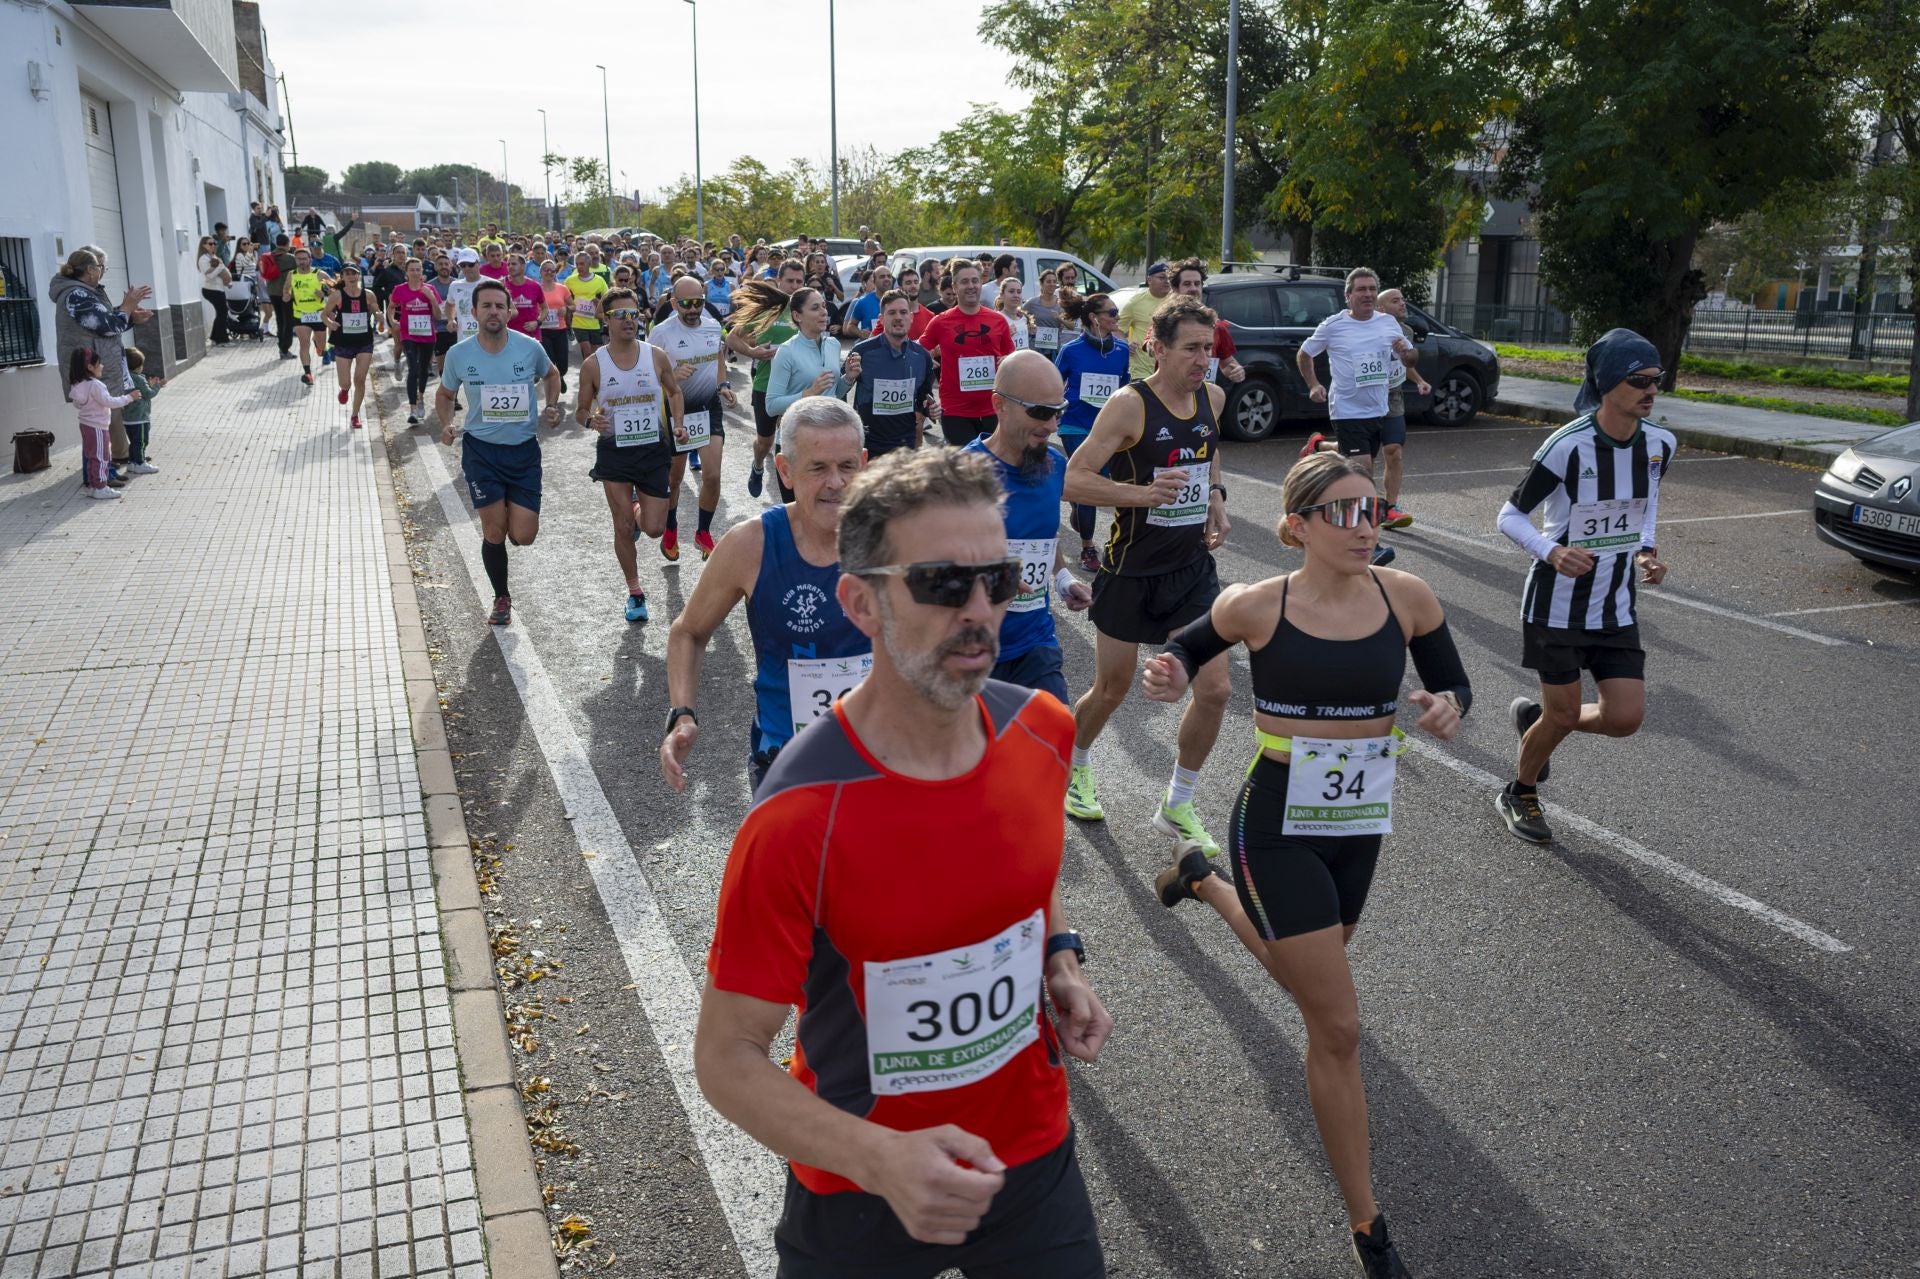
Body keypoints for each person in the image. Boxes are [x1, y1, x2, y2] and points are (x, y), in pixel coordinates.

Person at [693, 446, 1111, 1279]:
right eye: (943, 584)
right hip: (860, 1187)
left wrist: (1059, 957)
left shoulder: (1043, 730)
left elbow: (1024, 871)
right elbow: (727, 1057)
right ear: (862, 602)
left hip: (1030, 1154)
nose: (980, 610)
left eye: (998, 581)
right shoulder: (797, 816)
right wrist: (880, 1158)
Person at [1140, 450, 1470, 1279]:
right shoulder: (1256, 605)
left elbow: (1450, 679)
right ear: (1297, 527)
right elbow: (1182, 648)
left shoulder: (1410, 597)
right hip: (1277, 820)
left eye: (1373, 511)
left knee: (1309, 982)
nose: (1366, 527)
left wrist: (1444, 706)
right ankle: (1370, 1226)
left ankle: (1205, 883)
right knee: (1338, 1024)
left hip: (1360, 822)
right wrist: (1167, 668)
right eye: (1345, 514)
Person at [1061, 295, 1231, 848]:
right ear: (1157, 348)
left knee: (1215, 689)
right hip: (1130, 570)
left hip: (1190, 571)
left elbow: (1208, 456)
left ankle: (1178, 803)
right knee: (1112, 688)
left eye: (1208, 348)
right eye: (1191, 349)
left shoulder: (1214, 397)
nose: (1202, 359)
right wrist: (1141, 494)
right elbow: (1074, 478)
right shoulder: (1130, 406)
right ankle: (1076, 765)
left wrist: (1217, 500)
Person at [1494, 328, 1673, 845]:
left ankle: (1540, 718)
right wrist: (1551, 550)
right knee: (1565, 713)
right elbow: (1510, 515)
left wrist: (1646, 550)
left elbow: (1647, 503)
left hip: (1616, 605)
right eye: (1638, 380)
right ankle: (1520, 790)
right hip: (1555, 604)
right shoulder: (1567, 447)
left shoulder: (1661, 443)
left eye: (1655, 380)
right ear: (1606, 384)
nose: (1650, 390)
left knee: (1625, 719)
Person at [660, 397, 872, 794]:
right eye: (818, 468)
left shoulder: (898, 534)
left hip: (882, 763)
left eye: (847, 466)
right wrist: (683, 714)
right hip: (787, 766)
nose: (837, 483)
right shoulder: (751, 544)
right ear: (786, 470)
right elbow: (689, 631)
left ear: (864, 462)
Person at [962, 351, 1092, 704]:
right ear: (999, 405)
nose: (1052, 425)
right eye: (1039, 412)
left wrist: (1063, 578)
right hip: (967, 653)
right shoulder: (959, 475)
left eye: (1058, 412)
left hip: (1035, 643)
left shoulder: (1053, 465)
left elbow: (1042, 534)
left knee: (1052, 745)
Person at [436, 279, 565, 627]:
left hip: (523, 453)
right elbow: (445, 395)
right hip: (481, 453)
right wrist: (446, 424)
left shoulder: (529, 348)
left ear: (510, 311)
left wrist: (552, 404)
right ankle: (501, 597)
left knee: (523, 535)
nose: (493, 312)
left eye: (499, 306)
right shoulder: (459, 354)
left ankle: (509, 516)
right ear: (473, 311)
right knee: (494, 532)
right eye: (486, 306)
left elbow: (552, 375)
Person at [574, 286, 688, 622]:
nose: (629, 320)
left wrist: (678, 423)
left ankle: (640, 507)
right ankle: (635, 593)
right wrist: (590, 420)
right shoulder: (594, 365)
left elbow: (675, 391)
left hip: (652, 450)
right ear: (605, 319)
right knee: (622, 526)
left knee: (653, 528)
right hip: (614, 453)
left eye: (633, 313)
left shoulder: (655, 356)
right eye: (620, 314)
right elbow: (581, 410)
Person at [1296, 268, 1425, 563]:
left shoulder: (1388, 323)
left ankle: (1322, 520)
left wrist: (1406, 353)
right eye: (1361, 289)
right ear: (1348, 296)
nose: (1367, 294)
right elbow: (1305, 354)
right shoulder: (1334, 326)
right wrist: (1314, 384)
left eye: (1371, 289)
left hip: (1379, 409)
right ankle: (1363, 544)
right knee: (1361, 476)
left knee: (1355, 472)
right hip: (1347, 411)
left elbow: (1410, 358)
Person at [49, 247, 150, 482]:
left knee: (101, 425)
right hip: (89, 371)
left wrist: (130, 316)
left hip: (99, 368)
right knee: (96, 427)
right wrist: (127, 306)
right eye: (101, 267)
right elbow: (106, 327)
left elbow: (108, 324)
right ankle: (97, 478)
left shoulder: (87, 292)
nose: (103, 272)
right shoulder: (76, 295)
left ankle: (106, 472)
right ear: (91, 270)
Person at [652, 275, 735, 561]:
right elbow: (649, 377)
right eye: (686, 304)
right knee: (674, 479)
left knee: (712, 475)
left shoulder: (713, 326)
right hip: (677, 410)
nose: (693, 309)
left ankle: (703, 531)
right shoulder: (661, 333)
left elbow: (718, 359)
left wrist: (723, 385)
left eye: (698, 302)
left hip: (708, 407)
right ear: (674, 303)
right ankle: (671, 526)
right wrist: (672, 378)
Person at [1052, 291, 1130, 573]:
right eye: (1112, 313)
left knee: (1096, 483)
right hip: (1075, 425)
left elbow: (1124, 390)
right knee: (1089, 485)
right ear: (1094, 319)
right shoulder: (1071, 351)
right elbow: (1052, 385)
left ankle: (1076, 501)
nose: (1116, 317)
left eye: (1116, 312)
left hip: (1109, 430)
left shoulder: (1121, 351)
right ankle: (1088, 548)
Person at [727, 261, 805, 500]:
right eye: (790, 281)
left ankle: (793, 491)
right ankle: (758, 465)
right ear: (779, 281)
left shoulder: (809, 309)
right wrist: (754, 352)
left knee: (793, 440)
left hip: (797, 388)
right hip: (767, 384)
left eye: (799, 281)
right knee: (765, 441)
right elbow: (732, 338)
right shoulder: (769, 309)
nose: (794, 286)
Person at [921, 260, 1014, 447]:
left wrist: (1007, 361)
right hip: (956, 411)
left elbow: (1012, 360)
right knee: (965, 471)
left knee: (992, 469)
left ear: (981, 283)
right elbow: (919, 353)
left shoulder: (998, 320)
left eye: (975, 281)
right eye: (964, 282)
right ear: (954, 286)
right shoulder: (940, 322)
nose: (970, 286)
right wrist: (927, 362)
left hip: (993, 408)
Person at [767, 286, 859, 450]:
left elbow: (833, 394)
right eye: (815, 308)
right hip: (796, 443)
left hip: (828, 438)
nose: (824, 312)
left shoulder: (833, 345)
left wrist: (849, 378)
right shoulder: (786, 351)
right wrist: (808, 394)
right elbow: (772, 406)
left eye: (823, 306)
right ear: (797, 316)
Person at [849, 290, 936, 460]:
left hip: (905, 443)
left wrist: (930, 409)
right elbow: (841, 389)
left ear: (911, 318)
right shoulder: (862, 352)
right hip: (869, 442)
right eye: (892, 312)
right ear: (881, 319)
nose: (898, 317)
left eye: (903, 312)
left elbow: (923, 396)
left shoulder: (922, 356)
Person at [1374, 288, 1423, 527]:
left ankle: (1390, 508)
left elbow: (1404, 362)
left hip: (1393, 396)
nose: (1403, 304)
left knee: (1394, 451)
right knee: (1360, 454)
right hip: (1367, 398)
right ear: (1381, 309)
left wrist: (1420, 380)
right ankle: (1320, 445)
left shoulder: (1406, 332)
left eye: (1403, 299)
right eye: (1396, 301)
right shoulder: (1369, 329)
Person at [67, 347, 139, 500]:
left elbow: (77, 404)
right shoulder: (96, 385)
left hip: (86, 425)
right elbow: (110, 402)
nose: (102, 366)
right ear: (90, 367)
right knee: (101, 457)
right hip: (97, 427)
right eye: (99, 364)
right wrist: (129, 398)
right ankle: (100, 486)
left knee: (92, 456)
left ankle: (93, 486)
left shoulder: (77, 384)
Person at [323, 263, 382, 430]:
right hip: (343, 342)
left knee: (360, 380)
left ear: (358, 276)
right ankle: (344, 390)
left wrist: (379, 316)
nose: (351, 277)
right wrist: (330, 323)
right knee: (346, 382)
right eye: (347, 274)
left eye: (354, 273)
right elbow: (324, 314)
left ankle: (355, 415)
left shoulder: (368, 295)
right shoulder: (337, 296)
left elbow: (376, 310)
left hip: (364, 342)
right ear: (342, 277)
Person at [1170, 259, 1246, 386]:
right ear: (1175, 289)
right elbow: (1151, 346)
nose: (1193, 288)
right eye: (1187, 284)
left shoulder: (1217, 326)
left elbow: (1228, 364)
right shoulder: (1165, 322)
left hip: (1203, 398)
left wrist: (1236, 372)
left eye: (1197, 283)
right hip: (1171, 397)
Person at [389, 259, 440, 426]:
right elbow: (391, 307)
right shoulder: (399, 289)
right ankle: (412, 410)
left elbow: (438, 316)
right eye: (412, 270)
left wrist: (431, 299)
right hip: (408, 334)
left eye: (418, 270)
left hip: (427, 335)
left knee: (424, 370)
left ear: (422, 272)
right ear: (407, 272)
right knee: (413, 369)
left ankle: (420, 398)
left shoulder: (430, 289)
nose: (416, 273)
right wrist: (392, 321)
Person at [1118, 261, 1172, 380]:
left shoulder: (1176, 301)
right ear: (1149, 280)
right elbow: (1117, 329)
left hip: (1168, 369)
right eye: (1162, 277)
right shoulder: (1135, 302)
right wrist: (1125, 344)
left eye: (1169, 278)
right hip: (1141, 370)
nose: (1167, 281)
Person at [286, 247, 331, 387]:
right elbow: (286, 289)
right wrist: (287, 295)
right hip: (300, 314)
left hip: (318, 314)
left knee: (322, 348)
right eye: (299, 259)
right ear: (295, 260)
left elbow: (334, 289)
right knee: (304, 343)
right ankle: (308, 374)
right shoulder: (291, 274)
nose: (302, 261)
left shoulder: (319, 274)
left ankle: (319, 344)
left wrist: (324, 294)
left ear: (310, 260)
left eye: (304, 259)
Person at [120, 347, 164, 476]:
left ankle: (132, 463)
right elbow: (148, 394)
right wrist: (157, 385)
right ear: (137, 366)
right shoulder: (139, 378)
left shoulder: (126, 377)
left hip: (128, 418)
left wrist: (148, 383)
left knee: (134, 441)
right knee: (142, 441)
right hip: (140, 417)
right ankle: (140, 463)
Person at [567, 249, 611, 365]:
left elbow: (607, 298)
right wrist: (570, 306)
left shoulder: (599, 281)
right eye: (577, 264)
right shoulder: (570, 281)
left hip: (594, 322)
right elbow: (564, 297)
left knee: (596, 355)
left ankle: (593, 376)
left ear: (589, 264)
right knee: (586, 351)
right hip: (578, 322)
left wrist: (598, 302)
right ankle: (586, 376)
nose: (579, 267)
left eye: (582, 264)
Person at [536, 260, 574, 393]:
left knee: (563, 364)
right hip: (543, 331)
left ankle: (561, 376)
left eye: (552, 270)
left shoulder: (562, 288)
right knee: (550, 361)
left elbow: (572, 305)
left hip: (560, 330)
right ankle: (554, 387)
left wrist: (566, 308)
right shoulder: (536, 289)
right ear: (541, 272)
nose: (550, 272)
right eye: (546, 269)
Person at [197, 236, 233, 346]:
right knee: (223, 313)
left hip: (218, 289)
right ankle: (222, 340)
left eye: (214, 243)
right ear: (204, 245)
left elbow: (221, 271)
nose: (213, 245)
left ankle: (215, 337)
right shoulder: (203, 259)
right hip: (211, 290)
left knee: (221, 313)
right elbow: (210, 276)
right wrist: (220, 267)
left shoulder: (213, 257)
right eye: (210, 243)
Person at [1023, 269, 1067, 360]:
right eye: (1048, 281)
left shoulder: (1061, 303)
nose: (1052, 284)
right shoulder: (1032, 303)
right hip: (1036, 351)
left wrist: (1062, 321)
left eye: (1054, 281)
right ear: (1042, 284)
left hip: (1054, 351)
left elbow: (1070, 325)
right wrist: (1028, 327)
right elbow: (1019, 316)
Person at [993, 275, 1038, 351]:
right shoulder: (996, 318)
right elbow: (991, 346)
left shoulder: (1024, 318)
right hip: (1006, 362)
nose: (1016, 295)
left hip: (1024, 361)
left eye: (1019, 292)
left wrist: (1032, 335)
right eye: (1011, 291)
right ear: (1002, 295)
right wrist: (1006, 336)